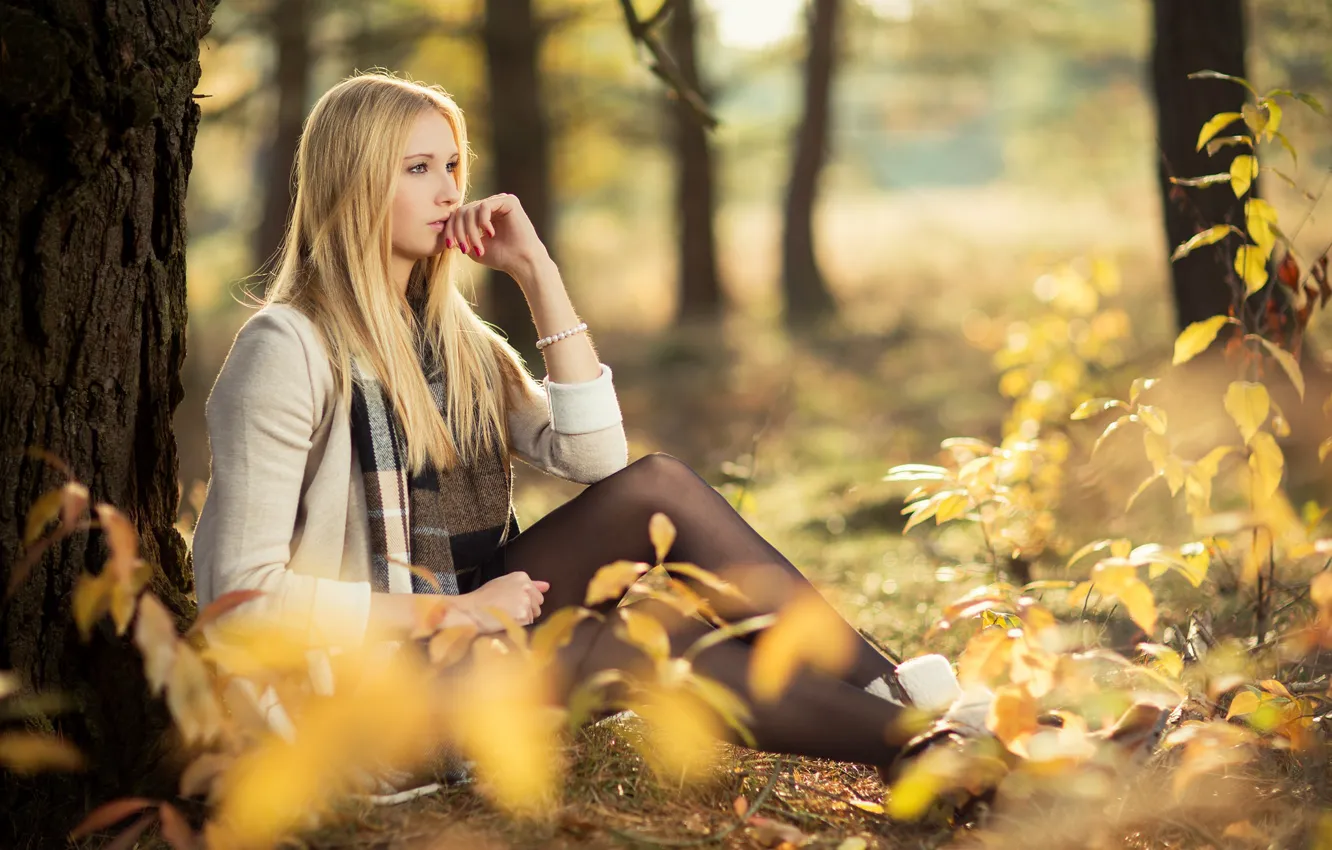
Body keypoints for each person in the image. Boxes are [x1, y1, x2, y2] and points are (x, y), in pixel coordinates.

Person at [190, 70, 1013, 802]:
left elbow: (597, 462)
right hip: (372, 695)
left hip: (479, 639)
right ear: (353, 184)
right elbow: (240, 600)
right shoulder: (286, 348)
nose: (448, 192)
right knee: (638, 642)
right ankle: (923, 730)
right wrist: (451, 615)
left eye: (451, 166)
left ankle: (917, 730)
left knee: (656, 496)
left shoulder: (455, 342)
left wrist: (537, 271)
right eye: (416, 169)